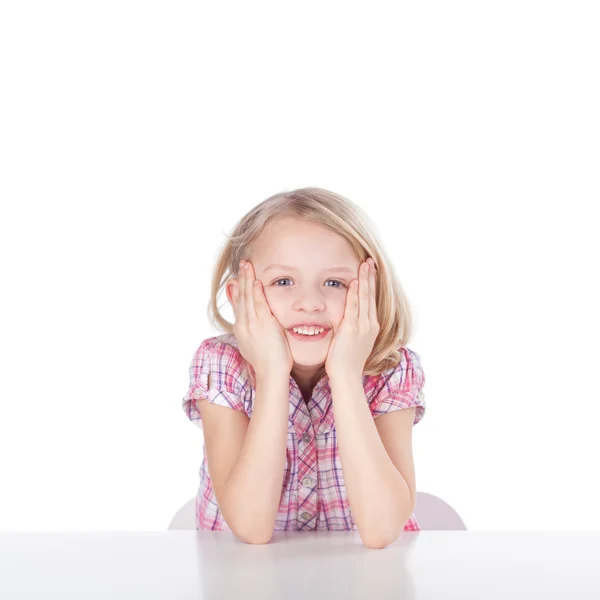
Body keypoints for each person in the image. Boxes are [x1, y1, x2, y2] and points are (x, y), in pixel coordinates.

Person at [182, 187, 426, 549]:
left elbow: (381, 530)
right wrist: (271, 373)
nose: (309, 303)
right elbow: (250, 527)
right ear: (239, 296)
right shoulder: (221, 364)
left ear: (369, 293)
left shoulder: (392, 369)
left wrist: (345, 376)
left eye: (334, 283)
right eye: (283, 282)